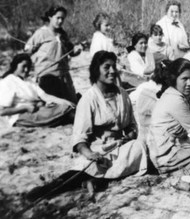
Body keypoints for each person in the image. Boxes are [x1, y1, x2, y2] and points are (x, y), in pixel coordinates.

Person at [26, 51, 149, 201]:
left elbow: (132, 126)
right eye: (106, 67)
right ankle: (50, 189)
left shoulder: (123, 94)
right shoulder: (88, 99)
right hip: (98, 151)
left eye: (113, 67)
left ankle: (98, 181)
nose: (112, 71)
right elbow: (79, 138)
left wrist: (129, 135)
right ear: (96, 70)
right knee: (82, 172)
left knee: (140, 147)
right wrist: (89, 154)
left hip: (121, 148)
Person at [25, 6, 82, 103]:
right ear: (50, 17)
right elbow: (27, 52)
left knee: (71, 104)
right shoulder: (41, 33)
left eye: (62, 19)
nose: (60, 21)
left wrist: (77, 50)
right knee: (52, 107)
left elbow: (71, 52)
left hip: (64, 77)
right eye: (58, 18)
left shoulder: (63, 35)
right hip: (47, 77)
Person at [0, 54, 75, 127]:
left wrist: (65, 101)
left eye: (28, 67)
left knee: (66, 106)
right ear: (15, 66)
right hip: (20, 117)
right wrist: (24, 108)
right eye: (23, 66)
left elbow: (45, 96)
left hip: (37, 110)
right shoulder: (7, 82)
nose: (26, 70)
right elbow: (2, 111)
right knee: (64, 110)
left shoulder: (28, 81)